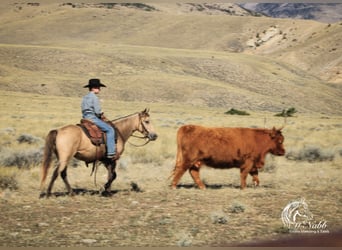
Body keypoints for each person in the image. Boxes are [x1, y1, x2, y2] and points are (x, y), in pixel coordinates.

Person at [81, 78, 119, 160]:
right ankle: (111, 153)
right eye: (98, 87)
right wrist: (101, 113)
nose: (99, 89)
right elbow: (97, 112)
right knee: (110, 130)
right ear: (94, 88)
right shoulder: (94, 97)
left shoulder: (85, 97)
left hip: (85, 118)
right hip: (92, 118)